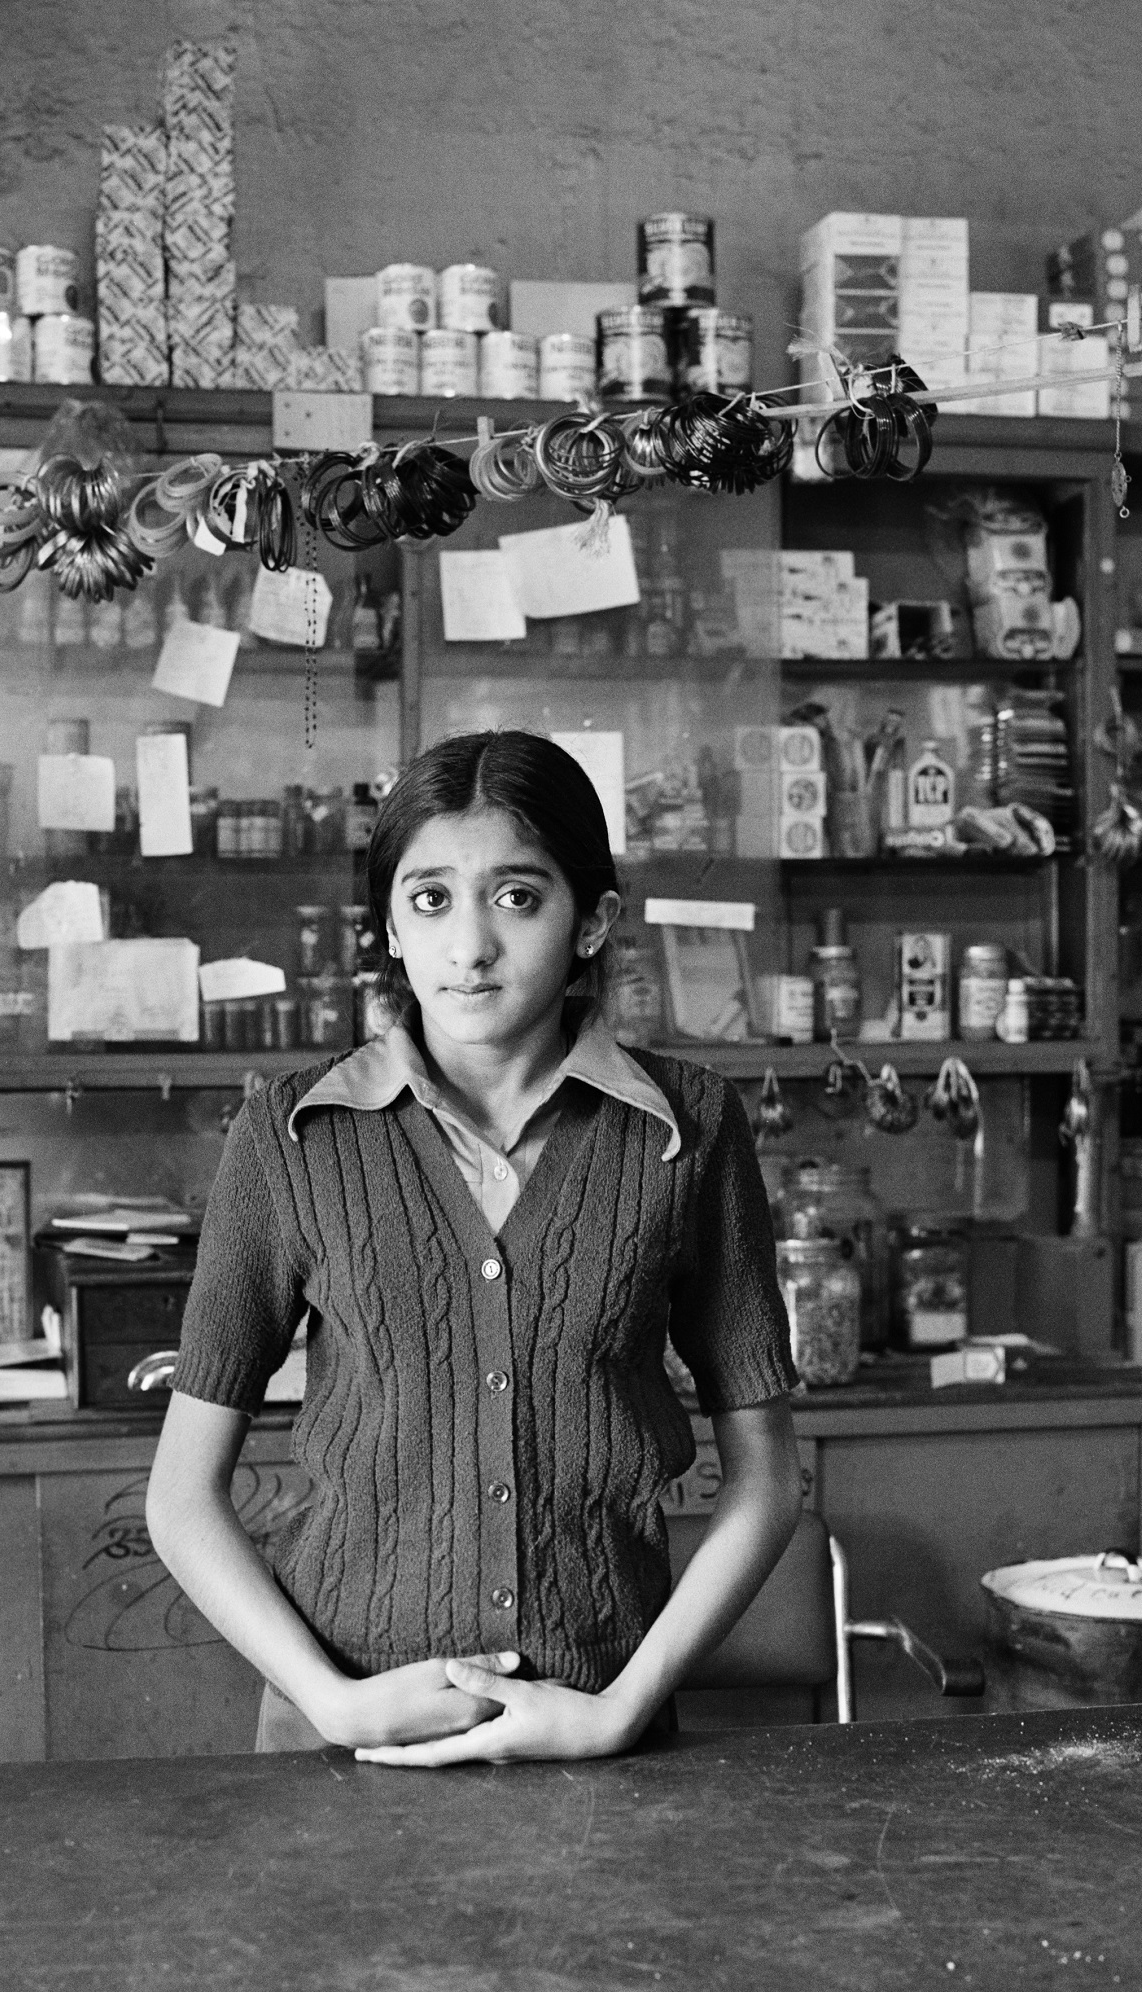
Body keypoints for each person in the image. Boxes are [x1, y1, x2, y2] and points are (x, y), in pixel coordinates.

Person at [146, 730, 801, 1766]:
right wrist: (330, 1701)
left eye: (517, 897)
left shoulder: (688, 1128)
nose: (470, 947)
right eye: (429, 899)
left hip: (595, 1740)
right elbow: (180, 1499)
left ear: (593, 922)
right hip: (341, 1746)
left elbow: (766, 1479)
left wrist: (620, 1707)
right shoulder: (291, 1134)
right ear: (391, 932)